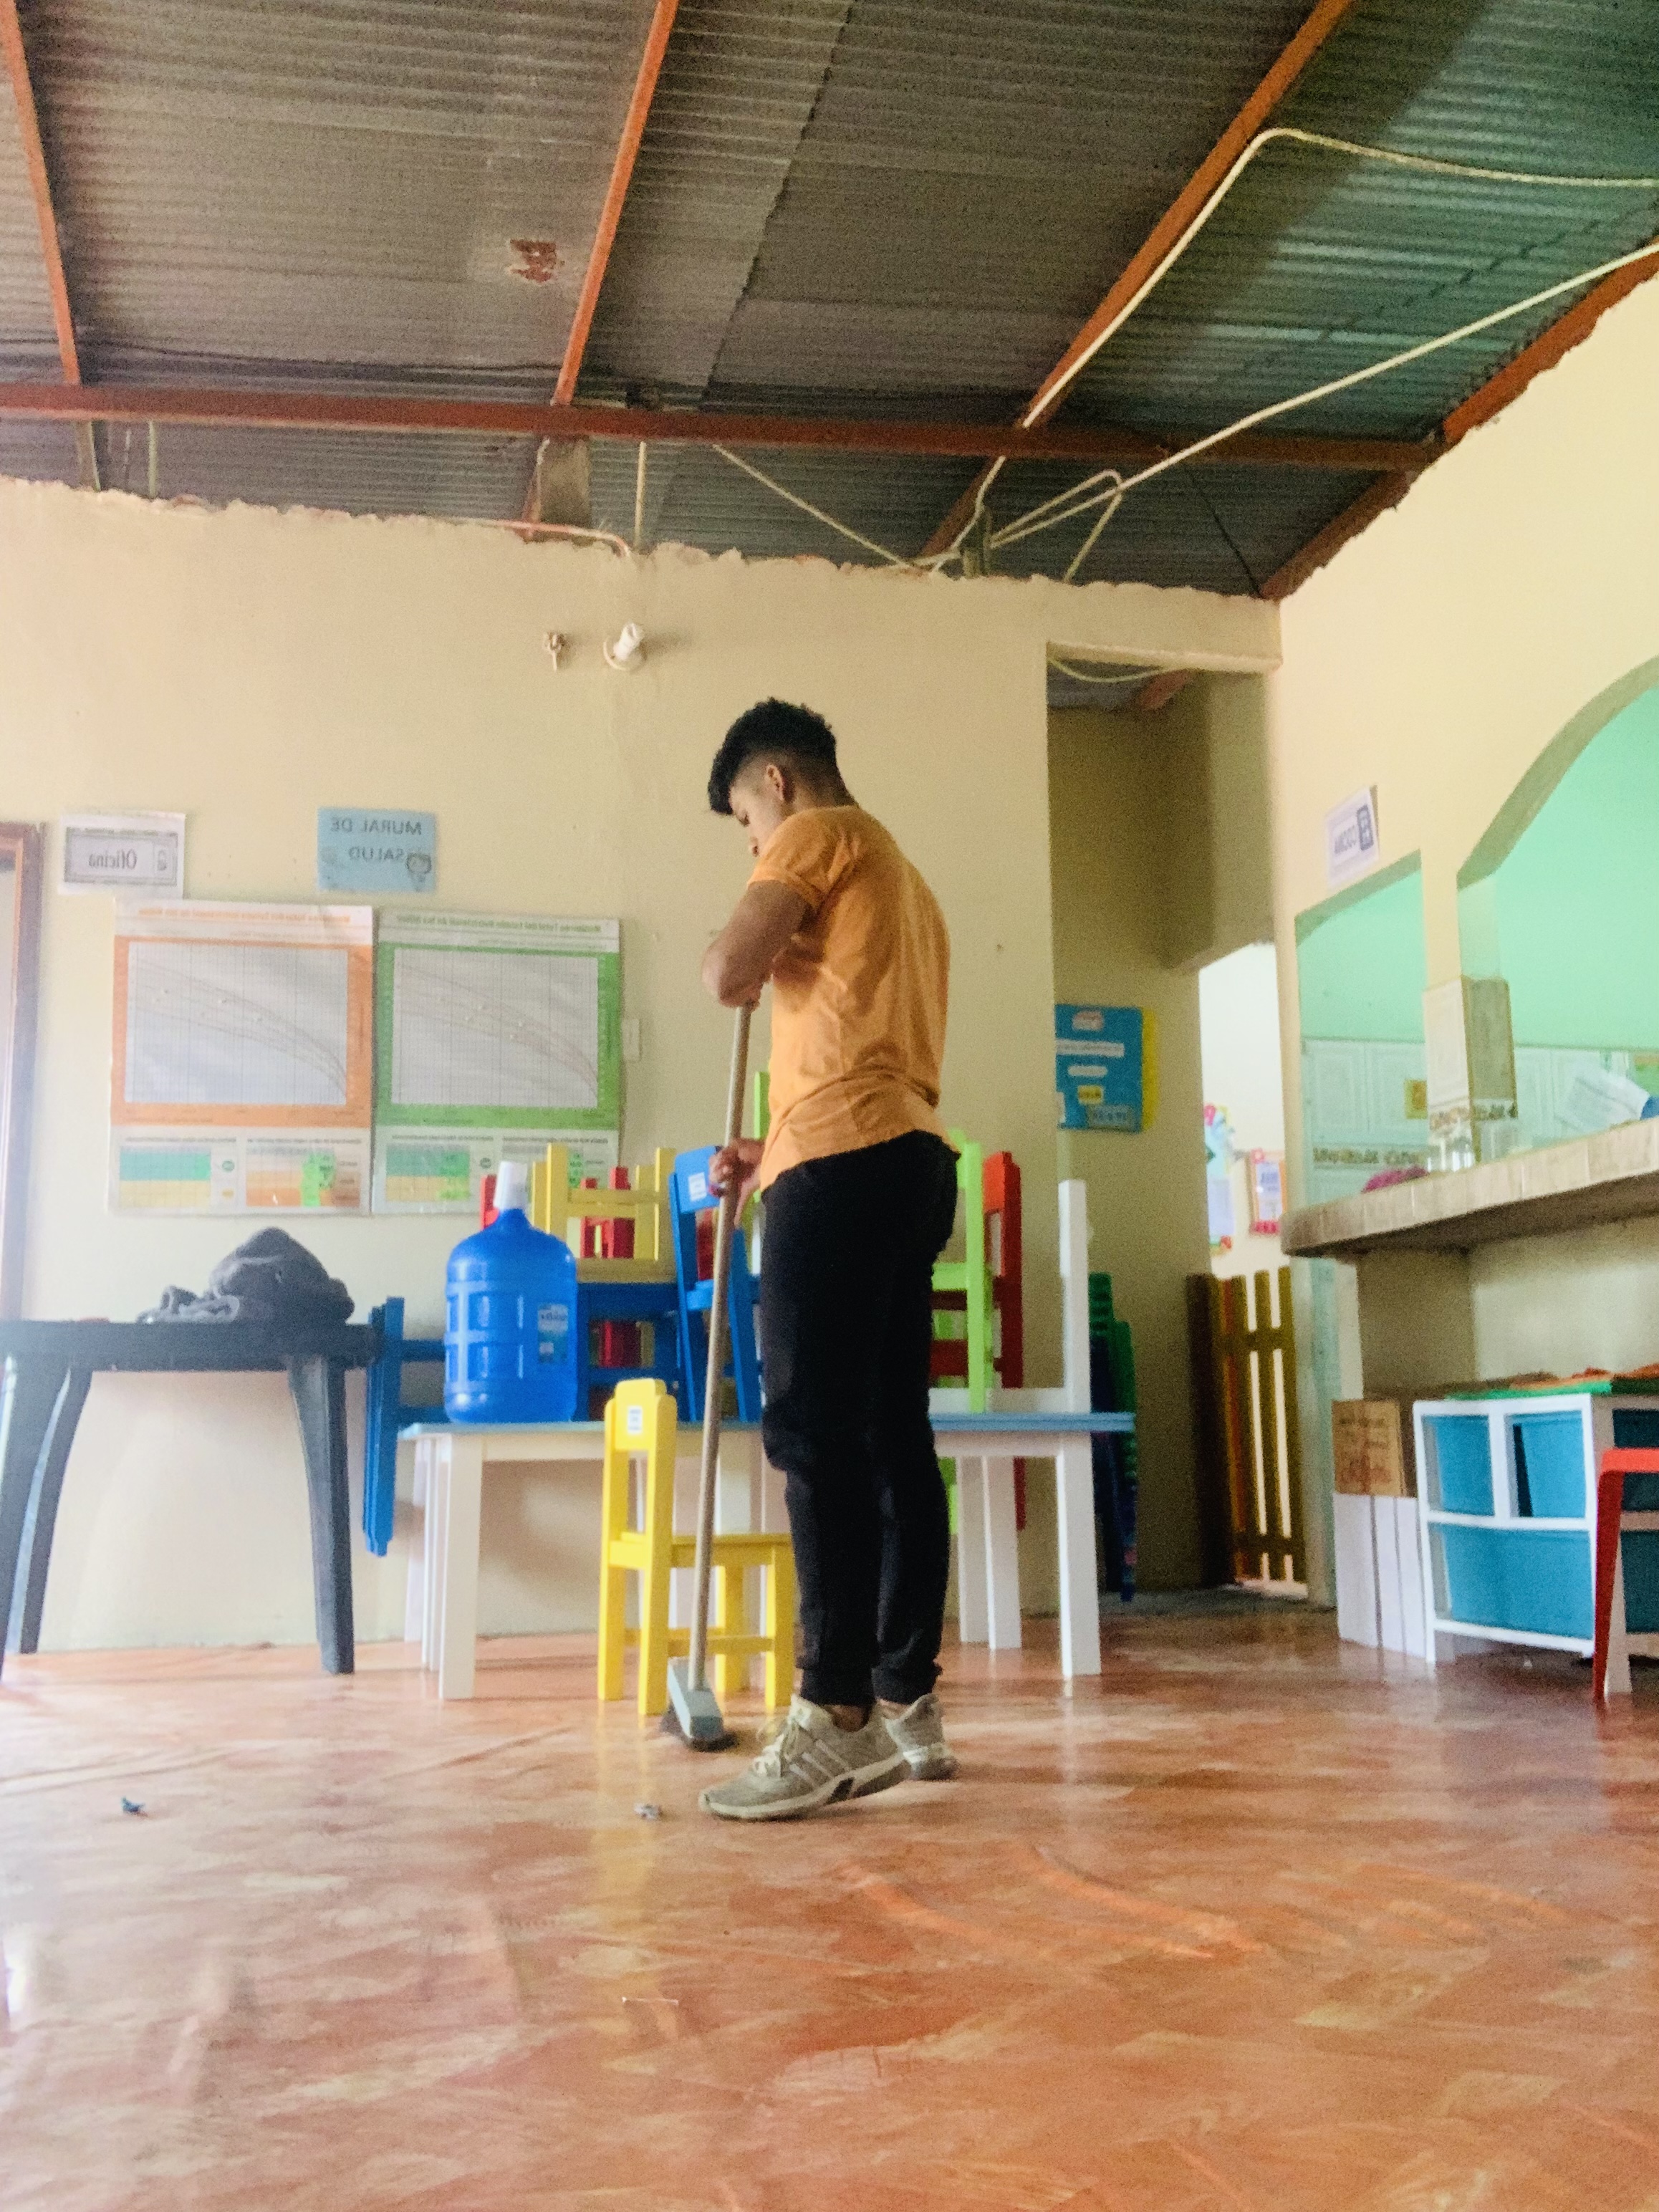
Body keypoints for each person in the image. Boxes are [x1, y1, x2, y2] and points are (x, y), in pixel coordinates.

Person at [696, 698, 961, 1822]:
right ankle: (904, 1702)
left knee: (814, 1435)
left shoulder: (816, 834)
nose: (754, 845)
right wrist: (774, 1149)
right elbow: (864, 1047)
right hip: (905, 1157)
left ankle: (832, 1714)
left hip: (844, 1165)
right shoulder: (906, 880)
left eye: (745, 820)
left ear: (777, 781)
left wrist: (747, 935)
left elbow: (726, 971)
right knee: (895, 1439)